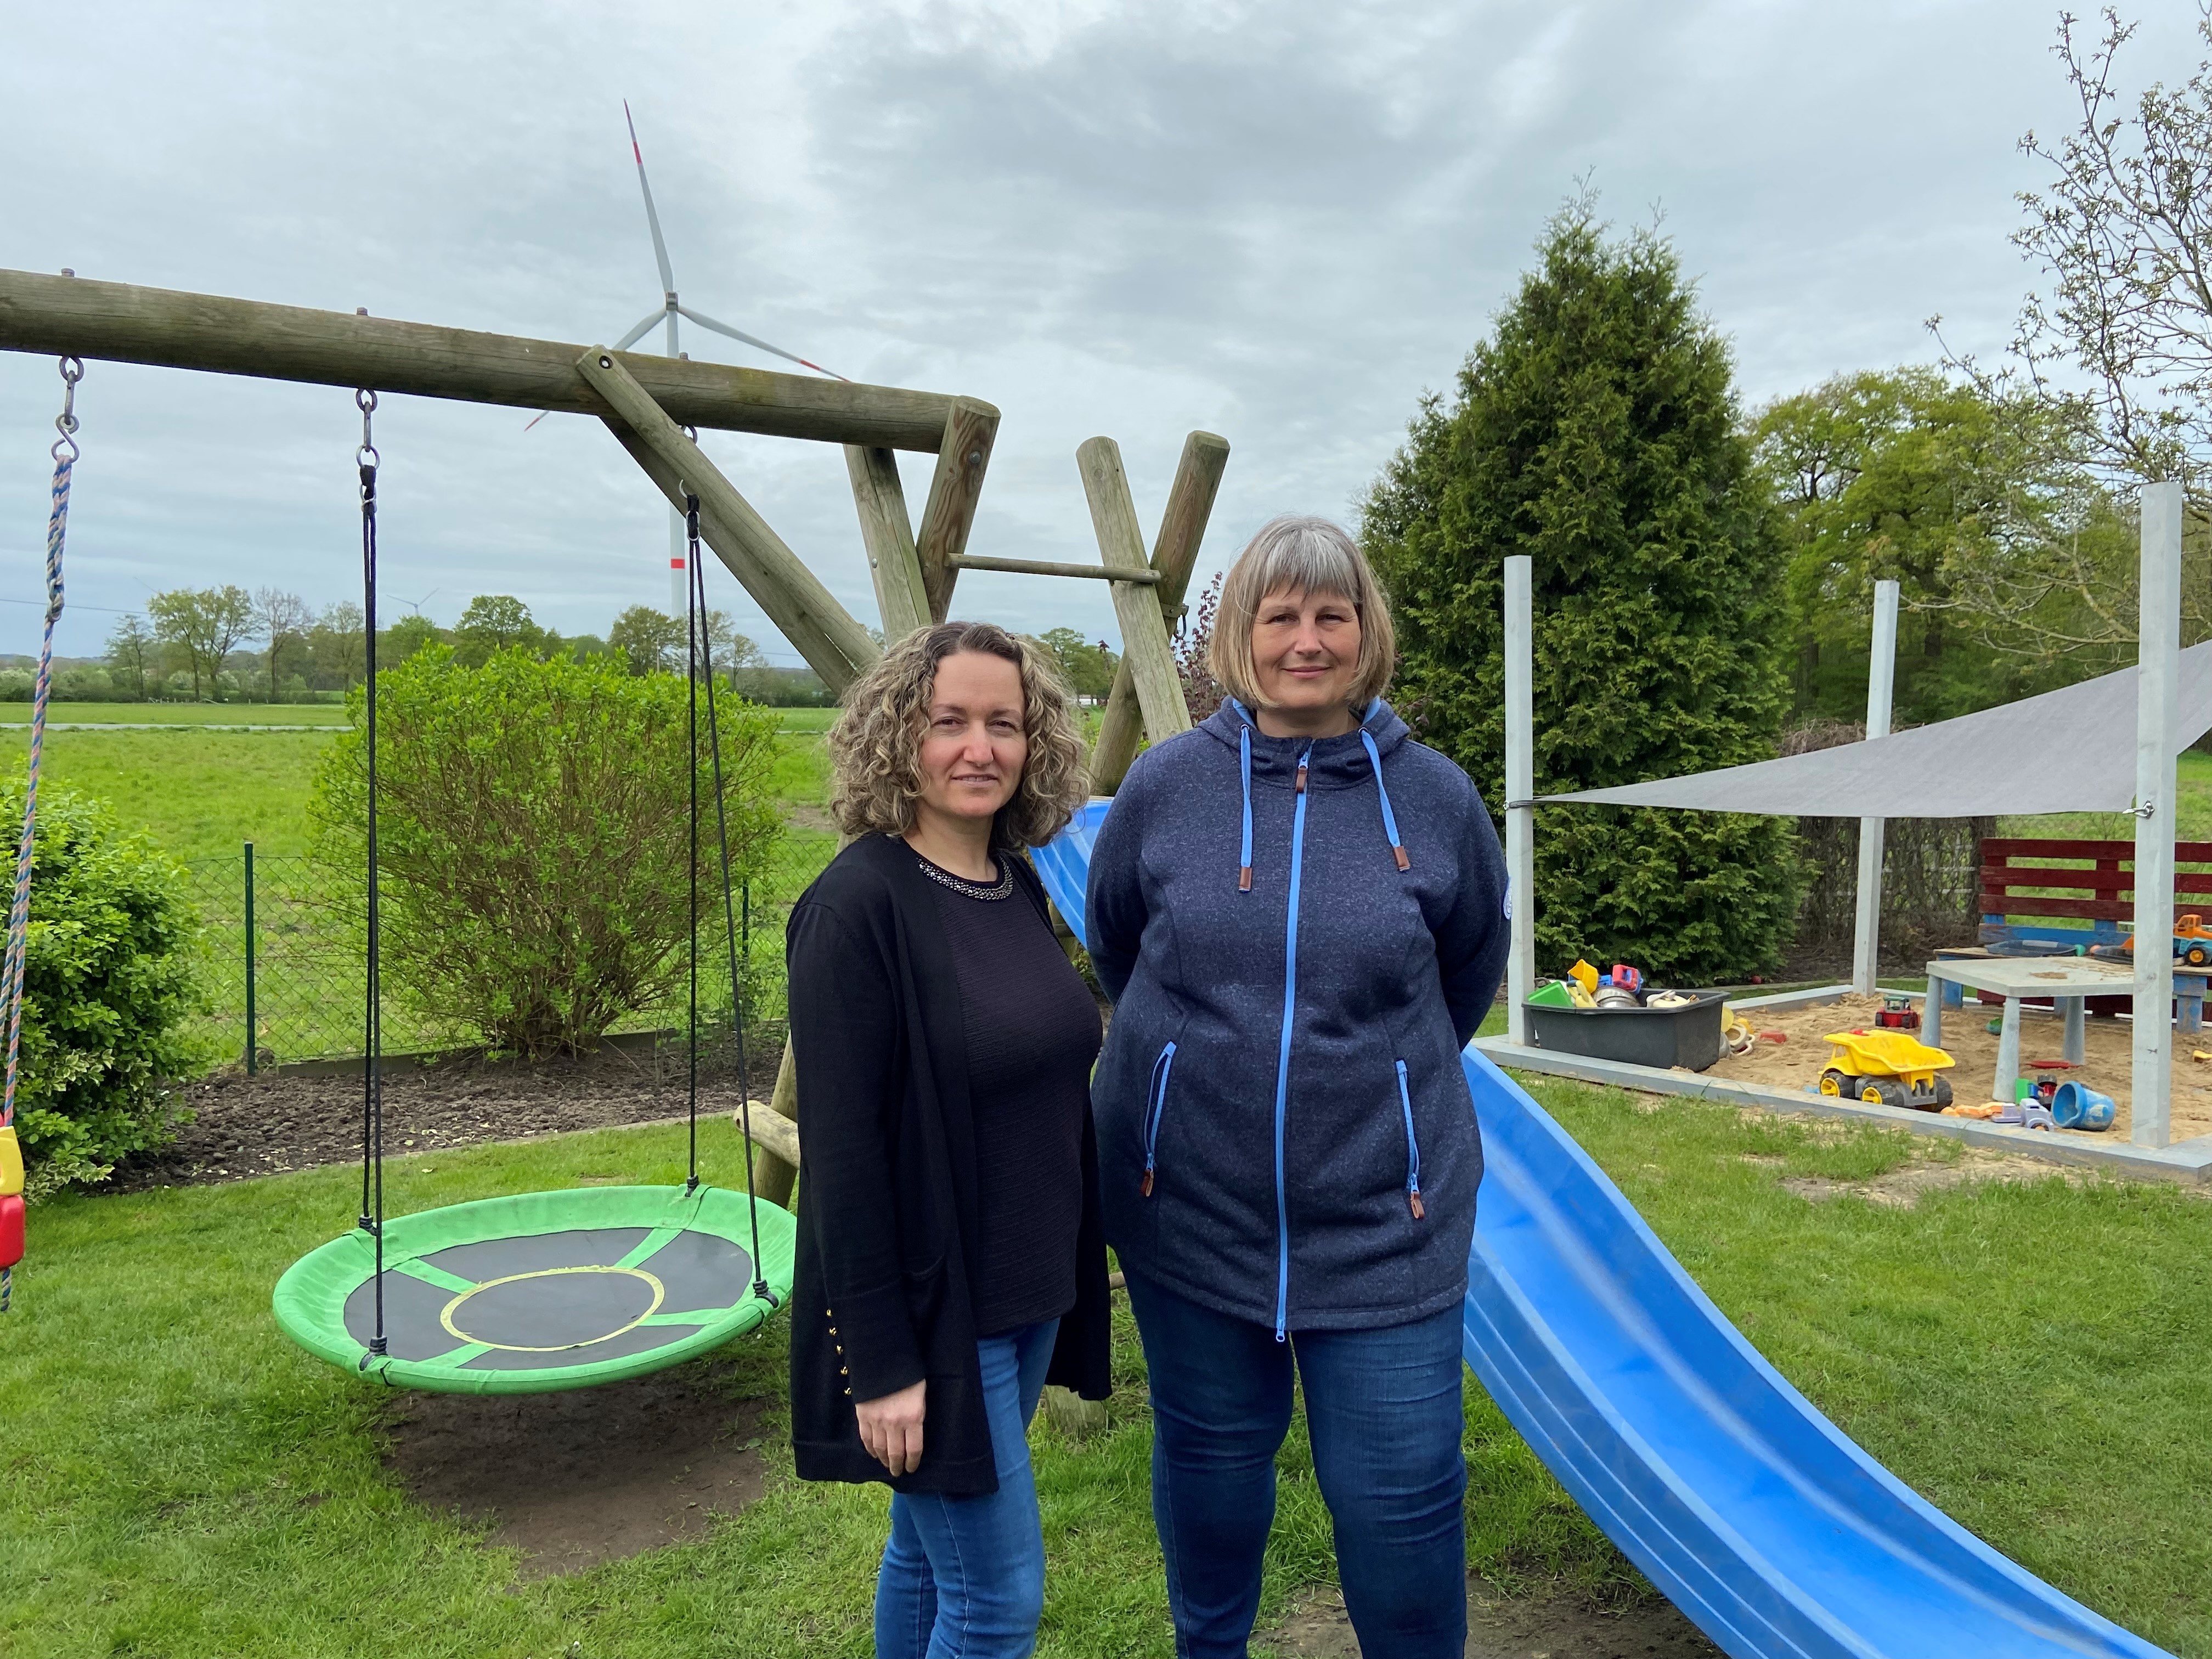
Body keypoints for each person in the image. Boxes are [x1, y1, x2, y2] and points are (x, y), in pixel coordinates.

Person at [1085, 516, 1508, 1658]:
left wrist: (1368, 1075)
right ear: (1242, 635)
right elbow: (1118, 948)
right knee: (1212, 1482)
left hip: (1387, 1225)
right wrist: (1186, 1074)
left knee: (1402, 1503)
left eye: (1334, 614)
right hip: (1192, 1220)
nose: (1308, 640)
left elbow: (1464, 977)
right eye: (1281, 616)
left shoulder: (1436, 800)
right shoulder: (1167, 788)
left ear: (1367, 632)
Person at [786, 619, 1113, 1659]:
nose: (980, 748)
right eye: (950, 722)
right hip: (936, 1316)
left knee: (930, 1562)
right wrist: (882, 1365)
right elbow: (843, 1162)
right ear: (898, 736)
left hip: (1023, 1301)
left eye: (1004, 724)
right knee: (998, 1600)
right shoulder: (856, 909)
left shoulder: (1013, 882)